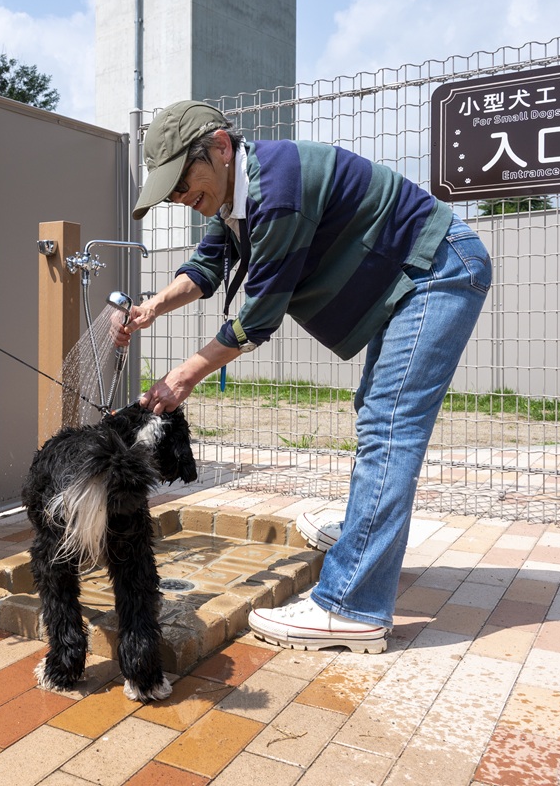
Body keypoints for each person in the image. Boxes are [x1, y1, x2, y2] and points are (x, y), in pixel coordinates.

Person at [120, 100, 491, 653]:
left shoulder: (277, 192)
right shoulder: (235, 196)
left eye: (182, 182)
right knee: (377, 416)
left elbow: (260, 315)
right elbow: (205, 268)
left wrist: (183, 376)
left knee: (390, 427)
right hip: (412, 278)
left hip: (434, 271)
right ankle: (364, 537)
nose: (180, 199)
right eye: (170, 191)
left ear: (221, 147)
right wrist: (152, 306)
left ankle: (353, 606)